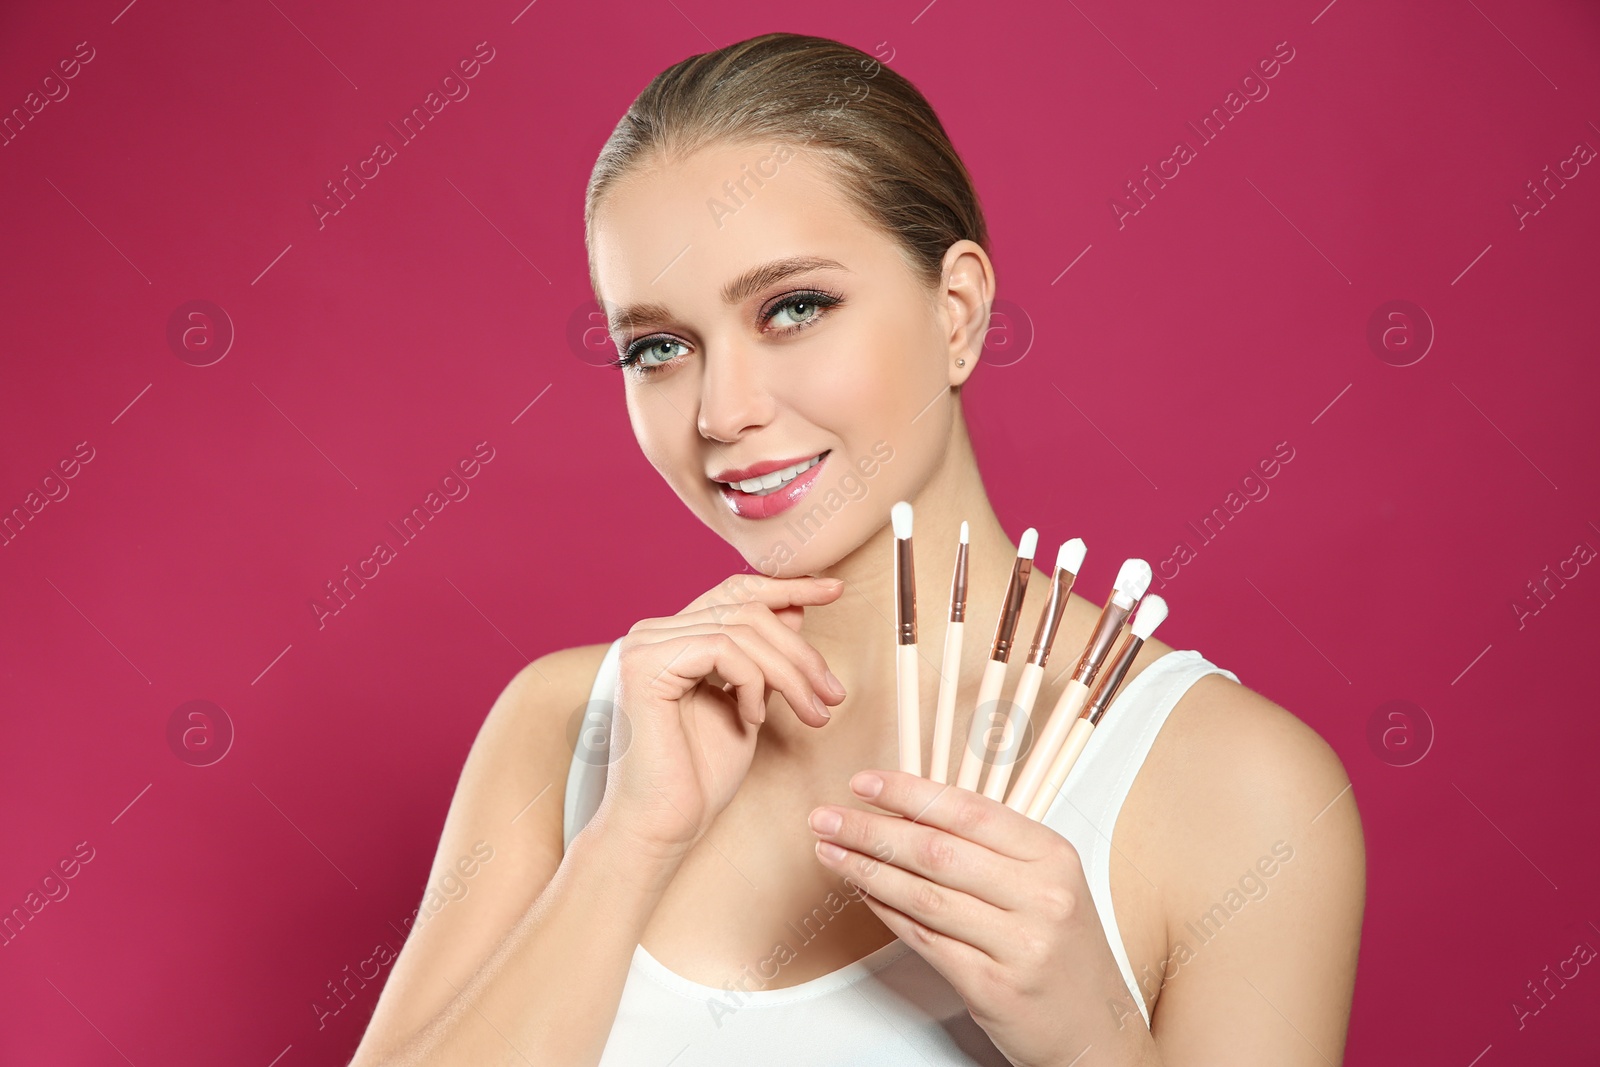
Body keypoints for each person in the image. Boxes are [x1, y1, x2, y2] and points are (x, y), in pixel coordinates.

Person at [348, 31, 1364, 1067]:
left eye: (793, 308)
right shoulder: (566, 728)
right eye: (657, 346)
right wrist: (623, 846)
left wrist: (1085, 1037)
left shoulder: (1238, 785)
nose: (722, 411)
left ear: (957, 310)